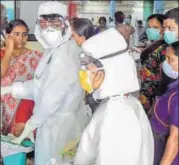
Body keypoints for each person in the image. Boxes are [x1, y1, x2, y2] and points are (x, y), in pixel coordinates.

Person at [1, 2, 90, 165]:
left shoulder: (65, 54)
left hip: (58, 126)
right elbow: (40, 85)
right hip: (49, 122)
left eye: (55, 24)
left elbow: (51, 98)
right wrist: (10, 89)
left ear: (65, 25)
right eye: (44, 24)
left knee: (54, 160)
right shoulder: (52, 51)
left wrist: (31, 124)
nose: (49, 29)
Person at [52, 28, 154, 165]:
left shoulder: (119, 113)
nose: (84, 72)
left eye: (88, 67)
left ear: (108, 69)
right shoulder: (117, 103)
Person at [1, 19, 42, 136]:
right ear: (7, 35)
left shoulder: (34, 56)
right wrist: (9, 50)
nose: (21, 38)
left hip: (26, 103)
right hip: (4, 107)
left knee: (21, 136)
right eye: (16, 34)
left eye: (24, 35)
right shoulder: (2, 53)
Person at [150, 41, 178, 165]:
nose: (166, 63)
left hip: (165, 143)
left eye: (170, 59)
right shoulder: (175, 85)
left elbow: (175, 138)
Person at [139, 14, 167, 113]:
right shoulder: (154, 44)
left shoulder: (164, 49)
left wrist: (156, 101)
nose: (151, 30)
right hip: (146, 91)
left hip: (154, 95)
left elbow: (164, 78)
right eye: (149, 27)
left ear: (164, 28)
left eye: (155, 27)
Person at [71, 18, 99, 113]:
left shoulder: (85, 54)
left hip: (93, 97)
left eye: (73, 36)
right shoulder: (94, 47)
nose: (72, 39)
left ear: (82, 38)